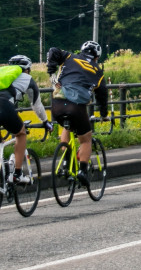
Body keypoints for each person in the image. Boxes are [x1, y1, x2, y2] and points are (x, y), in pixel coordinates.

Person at [0, 55, 51, 188]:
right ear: (27, 69)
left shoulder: (1, 76)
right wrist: (45, 121)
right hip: (3, 107)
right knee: (21, 133)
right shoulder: (27, 78)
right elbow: (36, 104)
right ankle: (17, 173)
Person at [46, 41, 109, 187]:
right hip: (77, 107)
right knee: (86, 139)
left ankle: (66, 162)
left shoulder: (69, 57)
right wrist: (103, 114)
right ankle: (82, 170)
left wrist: (51, 71)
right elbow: (102, 95)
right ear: (96, 57)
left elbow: (53, 49)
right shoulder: (98, 71)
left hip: (57, 104)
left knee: (66, 127)